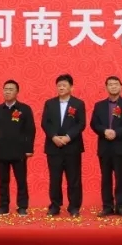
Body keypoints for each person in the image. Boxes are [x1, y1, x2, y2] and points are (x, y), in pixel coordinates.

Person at [0, 79, 35, 216]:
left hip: (19, 151)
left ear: (17, 92)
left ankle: (22, 206)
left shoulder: (24, 109)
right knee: (3, 181)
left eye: (11, 89)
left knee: (21, 180)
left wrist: (29, 149)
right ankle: (3, 207)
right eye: (5, 89)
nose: (7, 92)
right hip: (1, 151)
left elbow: (31, 130)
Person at [89, 76, 122, 217]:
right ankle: (107, 206)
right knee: (106, 178)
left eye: (116, 84)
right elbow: (94, 123)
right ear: (106, 87)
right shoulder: (99, 105)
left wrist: (116, 132)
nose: (113, 86)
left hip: (121, 146)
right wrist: (104, 131)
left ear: (121, 87)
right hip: (104, 146)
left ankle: (120, 206)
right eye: (110, 84)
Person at [41, 73, 86, 217]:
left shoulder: (78, 104)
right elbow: (45, 123)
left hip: (72, 147)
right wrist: (54, 137)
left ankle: (74, 207)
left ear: (71, 87)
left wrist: (68, 137)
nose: (61, 88)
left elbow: (81, 124)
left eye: (64, 85)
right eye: (59, 85)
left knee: (74, 179)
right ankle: (55, 206)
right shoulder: (50, 103)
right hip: (53, 146)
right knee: (55, 179)